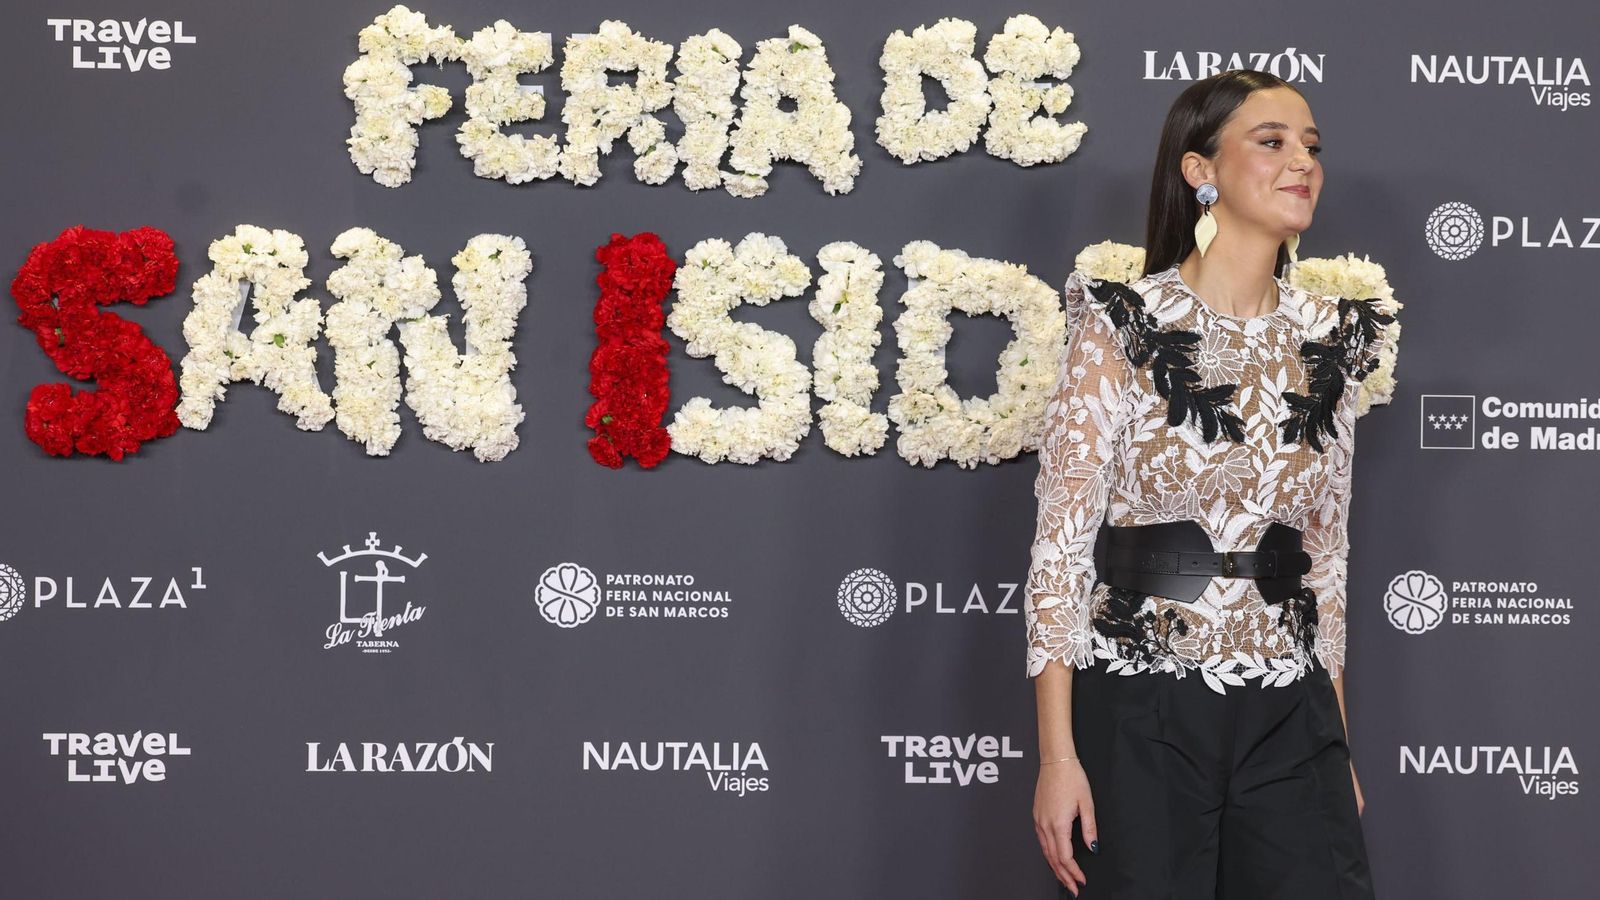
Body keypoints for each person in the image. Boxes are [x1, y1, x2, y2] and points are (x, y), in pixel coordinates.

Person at [1024, 69, 1392, 899]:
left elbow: (1324, 556)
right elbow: (1061, 546)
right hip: (1141, 705)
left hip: (1292, 712)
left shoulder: (1337, 338)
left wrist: (1335, 738)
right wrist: (1058, 757)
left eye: (1311, 146)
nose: (1302, 161)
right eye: (1271, 142)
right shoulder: (1122, 320)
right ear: (1202, 172)